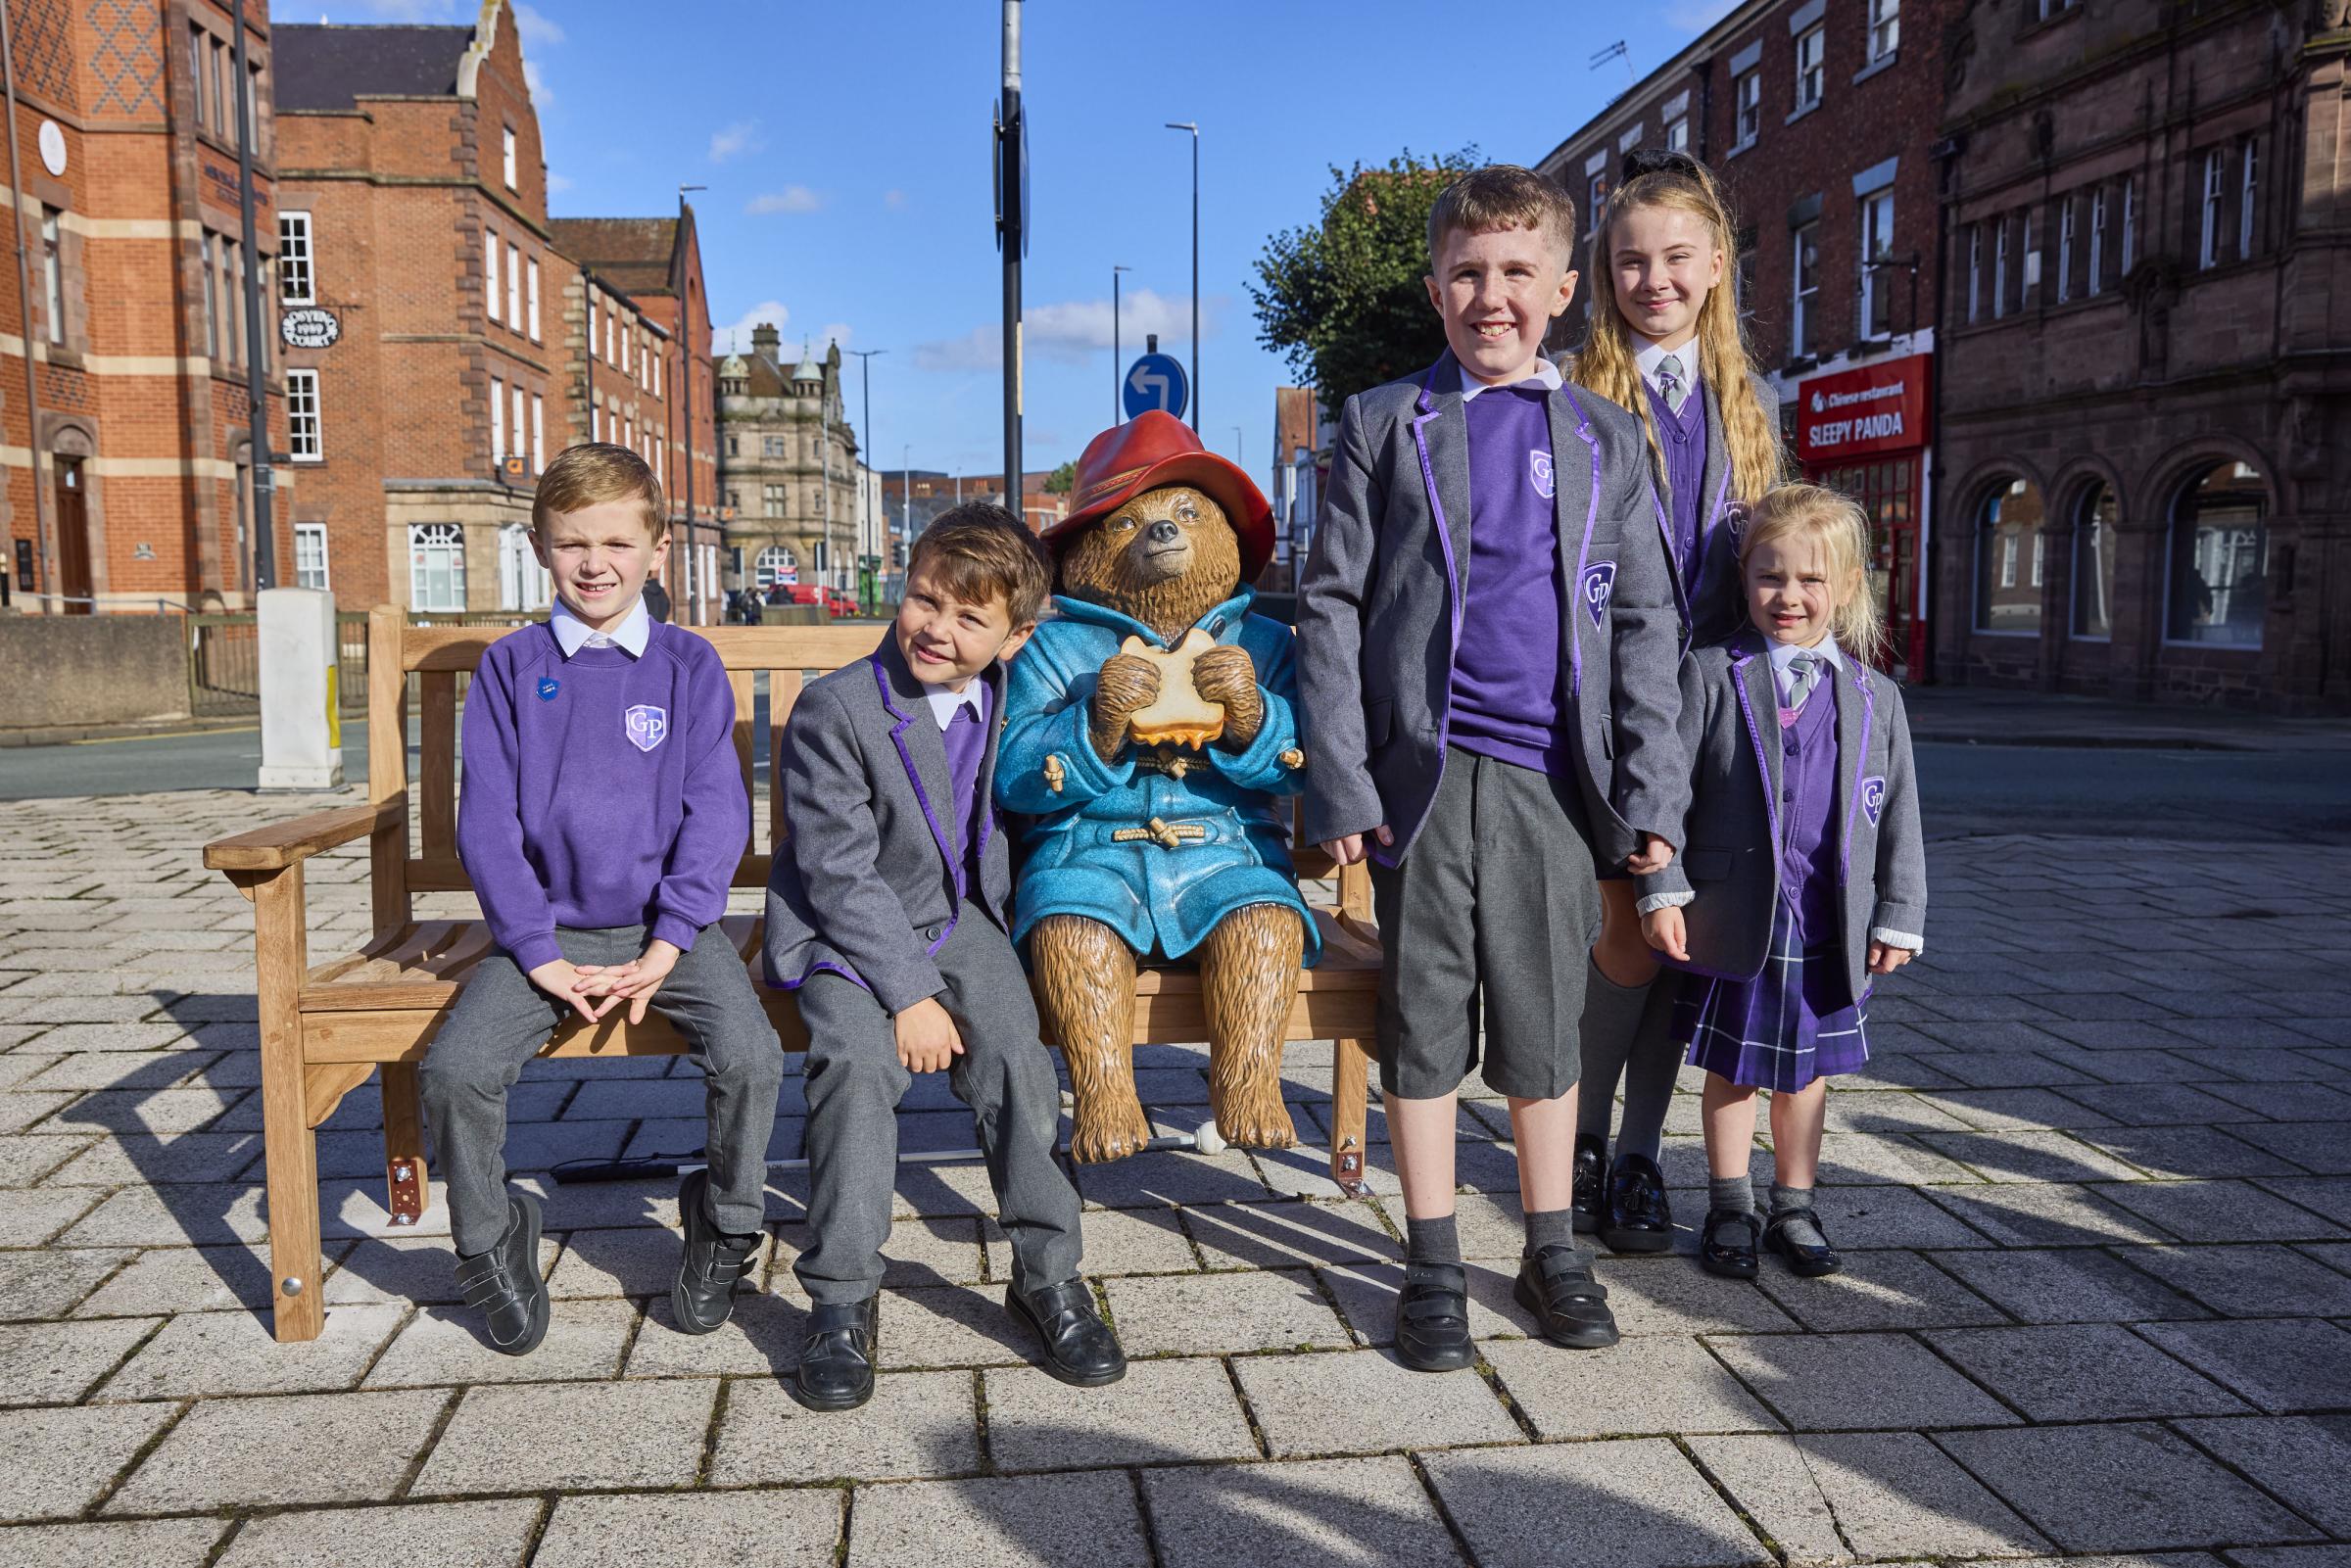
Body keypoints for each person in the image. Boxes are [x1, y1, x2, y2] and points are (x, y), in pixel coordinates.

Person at [1296, 165, 1685, 1370]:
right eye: (1467, 272)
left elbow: (1648, 633)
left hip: (1554, 788)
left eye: (1518, 272)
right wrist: (1343, 784)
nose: (1492, 296)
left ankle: (1551, 1244)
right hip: (1420, 782)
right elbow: (1331, 609)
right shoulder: (1378, 424)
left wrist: (1652, 799)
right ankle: (1427, 1259)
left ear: (1564, 289)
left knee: (1544, 1020)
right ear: (1434, 287)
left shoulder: (1606, 438)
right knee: (1419, 1023)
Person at [422, 442, 783, 1356]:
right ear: (541, 545)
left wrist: (669, 943)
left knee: (750, 1052)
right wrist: (536, 949)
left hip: (668, 930)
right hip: (544, 934)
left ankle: (727, 1220)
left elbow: (716, 812)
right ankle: (488, 1235)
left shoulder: (687, 666)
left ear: (656, 548)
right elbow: (488, 822)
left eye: (618, 543)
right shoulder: (510, 668)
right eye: (574, 542)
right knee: (455, 1068)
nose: (596, 563)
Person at [763, 502, 1125, 1411]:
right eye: (926, 600)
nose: (939, 628)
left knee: (1016, 1055)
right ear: (904, 587)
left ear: (1015, 636)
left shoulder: (1010, 698)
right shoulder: (837, 709)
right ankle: (842, 1298)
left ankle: (1048, 1271)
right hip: (854, 930)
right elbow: (839, 873)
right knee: (853, 1064)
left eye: (972, 618)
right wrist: (913, 995)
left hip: (961, 915)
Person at [1566, 147, 1787, 1257]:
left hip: (1720, 725)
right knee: (1628, 940)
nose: (1653, 278)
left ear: (1714, 266)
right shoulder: (1577, 397)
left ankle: (1643, 1156)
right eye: (1629, 260)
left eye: (1674, 258)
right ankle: (1585, 1145)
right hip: (1613, 713)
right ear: (1605, 273)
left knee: (1684, 941)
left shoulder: (1756, 402)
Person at [1637, 484, 1926, 1281]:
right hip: (1736, 915)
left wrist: (1898, 912)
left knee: (1809, 1073)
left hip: (1830, 921)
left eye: (1809, 580)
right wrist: (1661, 884)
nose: (1788, 596)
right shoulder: (1710, 674)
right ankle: (1730, 1205)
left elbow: (1896, 810)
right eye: (1770, 577)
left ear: (1848, 584)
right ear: (1744, 577)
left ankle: (1792, 1205)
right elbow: (1666, 791)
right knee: (1733, 1067)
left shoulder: (1877, 699)